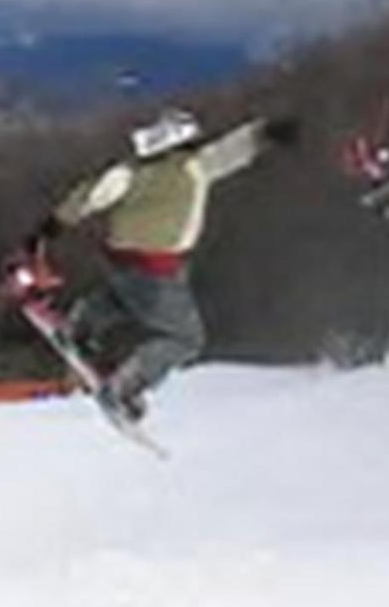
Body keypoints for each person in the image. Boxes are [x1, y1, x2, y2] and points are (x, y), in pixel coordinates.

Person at [26, 107, 299, 420]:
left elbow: (91, 196)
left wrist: (49, 228)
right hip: (156, 266)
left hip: (119, 259)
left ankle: (81, 326)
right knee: (185, 338)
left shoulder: (130, 171)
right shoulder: (193, 168)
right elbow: (231, 149)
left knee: (126, 297)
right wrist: (266, 132)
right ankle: (125, 386)